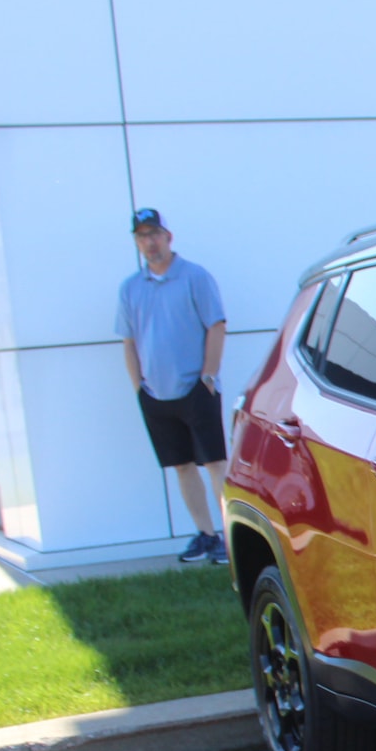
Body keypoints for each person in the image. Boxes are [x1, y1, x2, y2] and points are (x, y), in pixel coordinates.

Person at [117, 208, 231, 563]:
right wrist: (139, 388)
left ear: (168, 237)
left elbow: (217, 325)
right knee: (182, 467)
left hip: (197, 390)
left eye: (154, 234)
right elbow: (128, 341)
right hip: (156, 396)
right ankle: (206, 536)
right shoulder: (131, 288)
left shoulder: (194, 277)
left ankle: (233, 538)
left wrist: (208, 378)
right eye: (141, 237)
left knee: (215, 464)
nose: (149, 243)